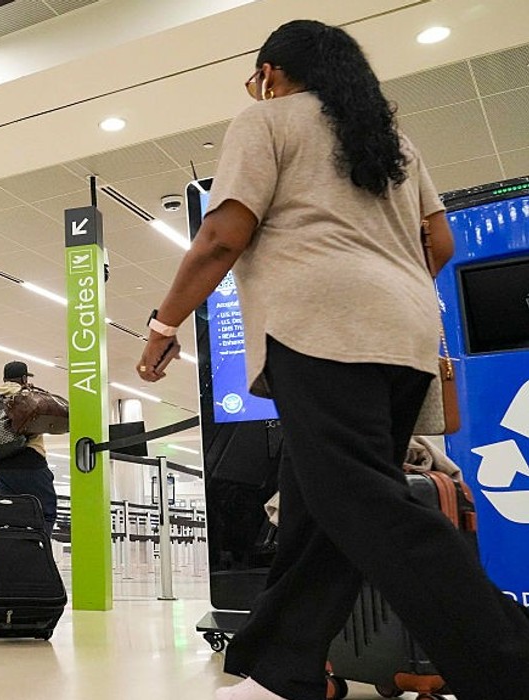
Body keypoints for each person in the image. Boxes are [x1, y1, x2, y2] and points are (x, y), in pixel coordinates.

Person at [137, 20, 529, 700]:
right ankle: (279, 672)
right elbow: (438, 241)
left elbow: (221, 234)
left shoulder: (266, 120)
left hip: (319, 331)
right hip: (405, 338)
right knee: (317, 514)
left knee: (363, 503)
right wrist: (385, 285)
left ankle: (509, 658)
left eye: (256, 78)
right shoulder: (392, 142)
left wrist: (162, 321)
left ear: (271, 72)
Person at [0, 361, 58, 536]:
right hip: (30, 463)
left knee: (11, 517)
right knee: (45, 513)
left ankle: (16, 557)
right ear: (24, 378)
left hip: (2, 467)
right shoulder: (29, 398)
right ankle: (39, 553)